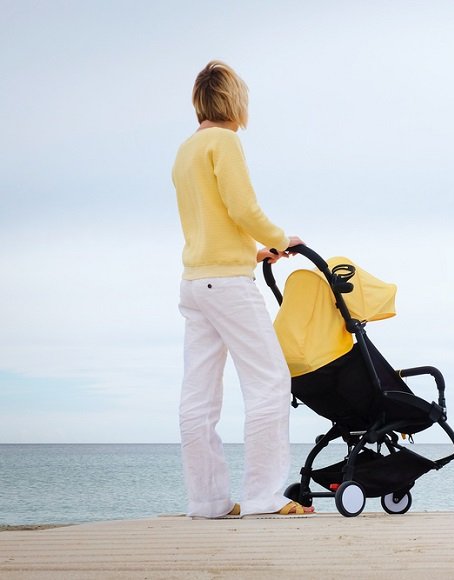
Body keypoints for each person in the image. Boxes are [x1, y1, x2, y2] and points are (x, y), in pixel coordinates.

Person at [172, 60, 311, 518]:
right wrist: (278, 239)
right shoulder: (225, 142)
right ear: (235, 101)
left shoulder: (186, 151)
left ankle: (207, 501)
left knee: (199, 397)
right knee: (270, 382)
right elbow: (243, 208)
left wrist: (252, 254)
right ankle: (263, 497)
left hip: (196, 284)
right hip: (228, 287)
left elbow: (209, 224)